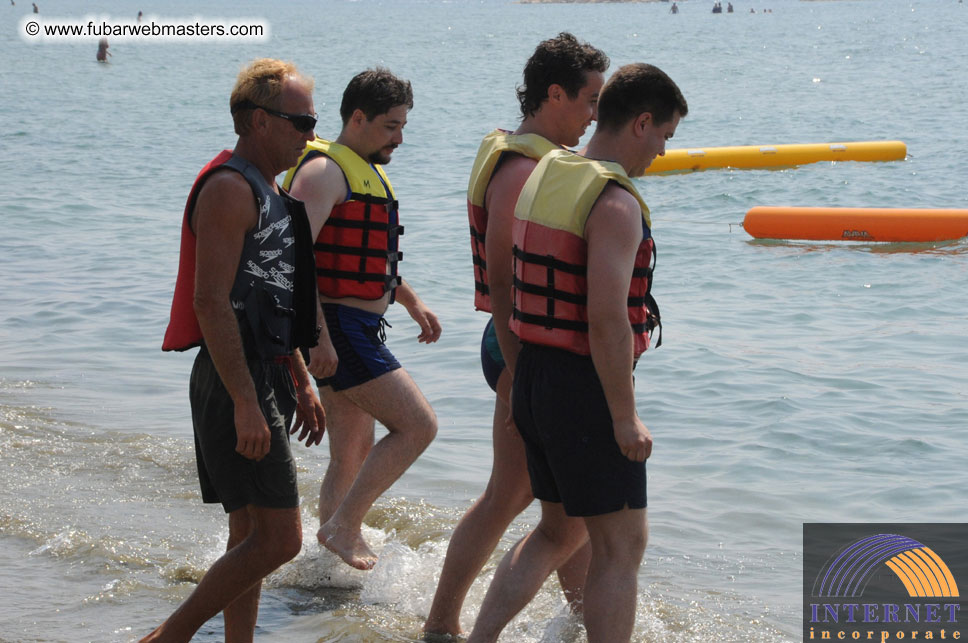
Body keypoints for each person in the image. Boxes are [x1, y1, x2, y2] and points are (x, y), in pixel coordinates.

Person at [467, 62, 688, 643]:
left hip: (536, 371)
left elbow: (505, 283)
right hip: (584, 388)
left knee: (558, 531)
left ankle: (477, 638)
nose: (663, 151)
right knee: (622, 547)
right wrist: (623, 416)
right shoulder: (614, 203)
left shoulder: (545, 174)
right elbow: (607, 318)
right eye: (665, 135)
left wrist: (518, 375)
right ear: (642, 123)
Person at [423, 33, 608, 639]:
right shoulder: (522, 168)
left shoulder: (528, 154)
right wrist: (520, 369)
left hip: (519, 349)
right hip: (517, 348)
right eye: (589, 101)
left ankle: (585, 622)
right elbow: (504, 282)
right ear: (554, 94)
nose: (594, 116)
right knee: (511, 499)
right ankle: (444, 623)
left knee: (561, 508)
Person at [144, 58, 326, 642]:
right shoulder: (228, 189)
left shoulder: (271, 190)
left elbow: (271, 299)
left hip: (264, 368)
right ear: (257, 121)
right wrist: (247, 401)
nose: (311, 135)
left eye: (313, 121)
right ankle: (166, 638)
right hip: (232, 376)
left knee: (249, 530)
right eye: (301, 122)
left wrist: (299, 376)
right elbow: (212, 303)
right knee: (281, 539)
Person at [284, 68, 440, 572]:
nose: (400, 137)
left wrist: (409, 298)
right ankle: (342, 527)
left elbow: (360, 257)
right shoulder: (324, 172)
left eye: (405, 125)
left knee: (351, 449)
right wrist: (319, 338)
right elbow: (294, 260)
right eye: (392, 126)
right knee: (418, 426)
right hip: (337, 328)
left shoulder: (357, 167)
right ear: (358, 117)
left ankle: (325, 570)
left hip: (354, 325)